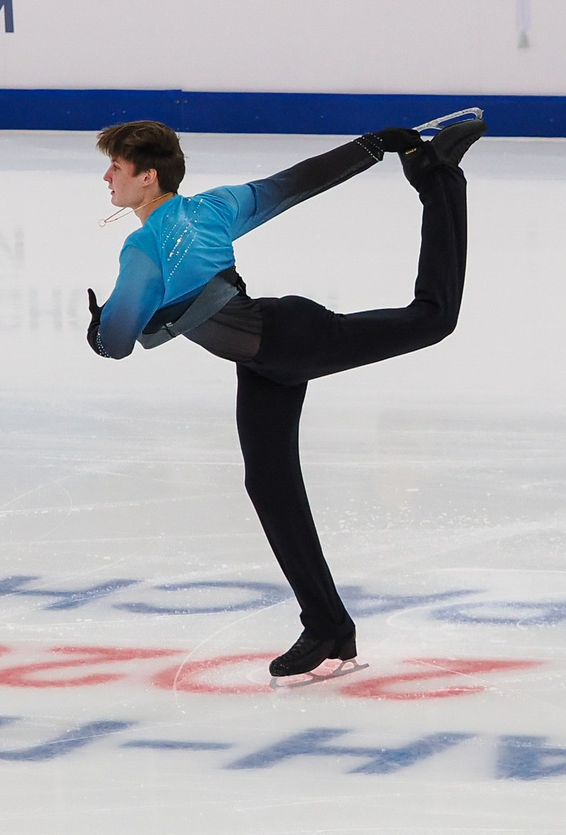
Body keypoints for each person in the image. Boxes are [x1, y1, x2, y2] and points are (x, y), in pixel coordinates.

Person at [85, 110, 483, 682]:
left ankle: (440, 175)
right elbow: (298, 183)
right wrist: (372, 145)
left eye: (116, 168)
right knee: (268, 484)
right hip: (267, 353)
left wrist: (98, 332)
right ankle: (328, 628)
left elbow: (118, 342)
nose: (108, 180)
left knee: (433, 318)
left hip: (289, 343)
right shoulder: (213, 207)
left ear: (148, 177)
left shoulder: (144, 248)